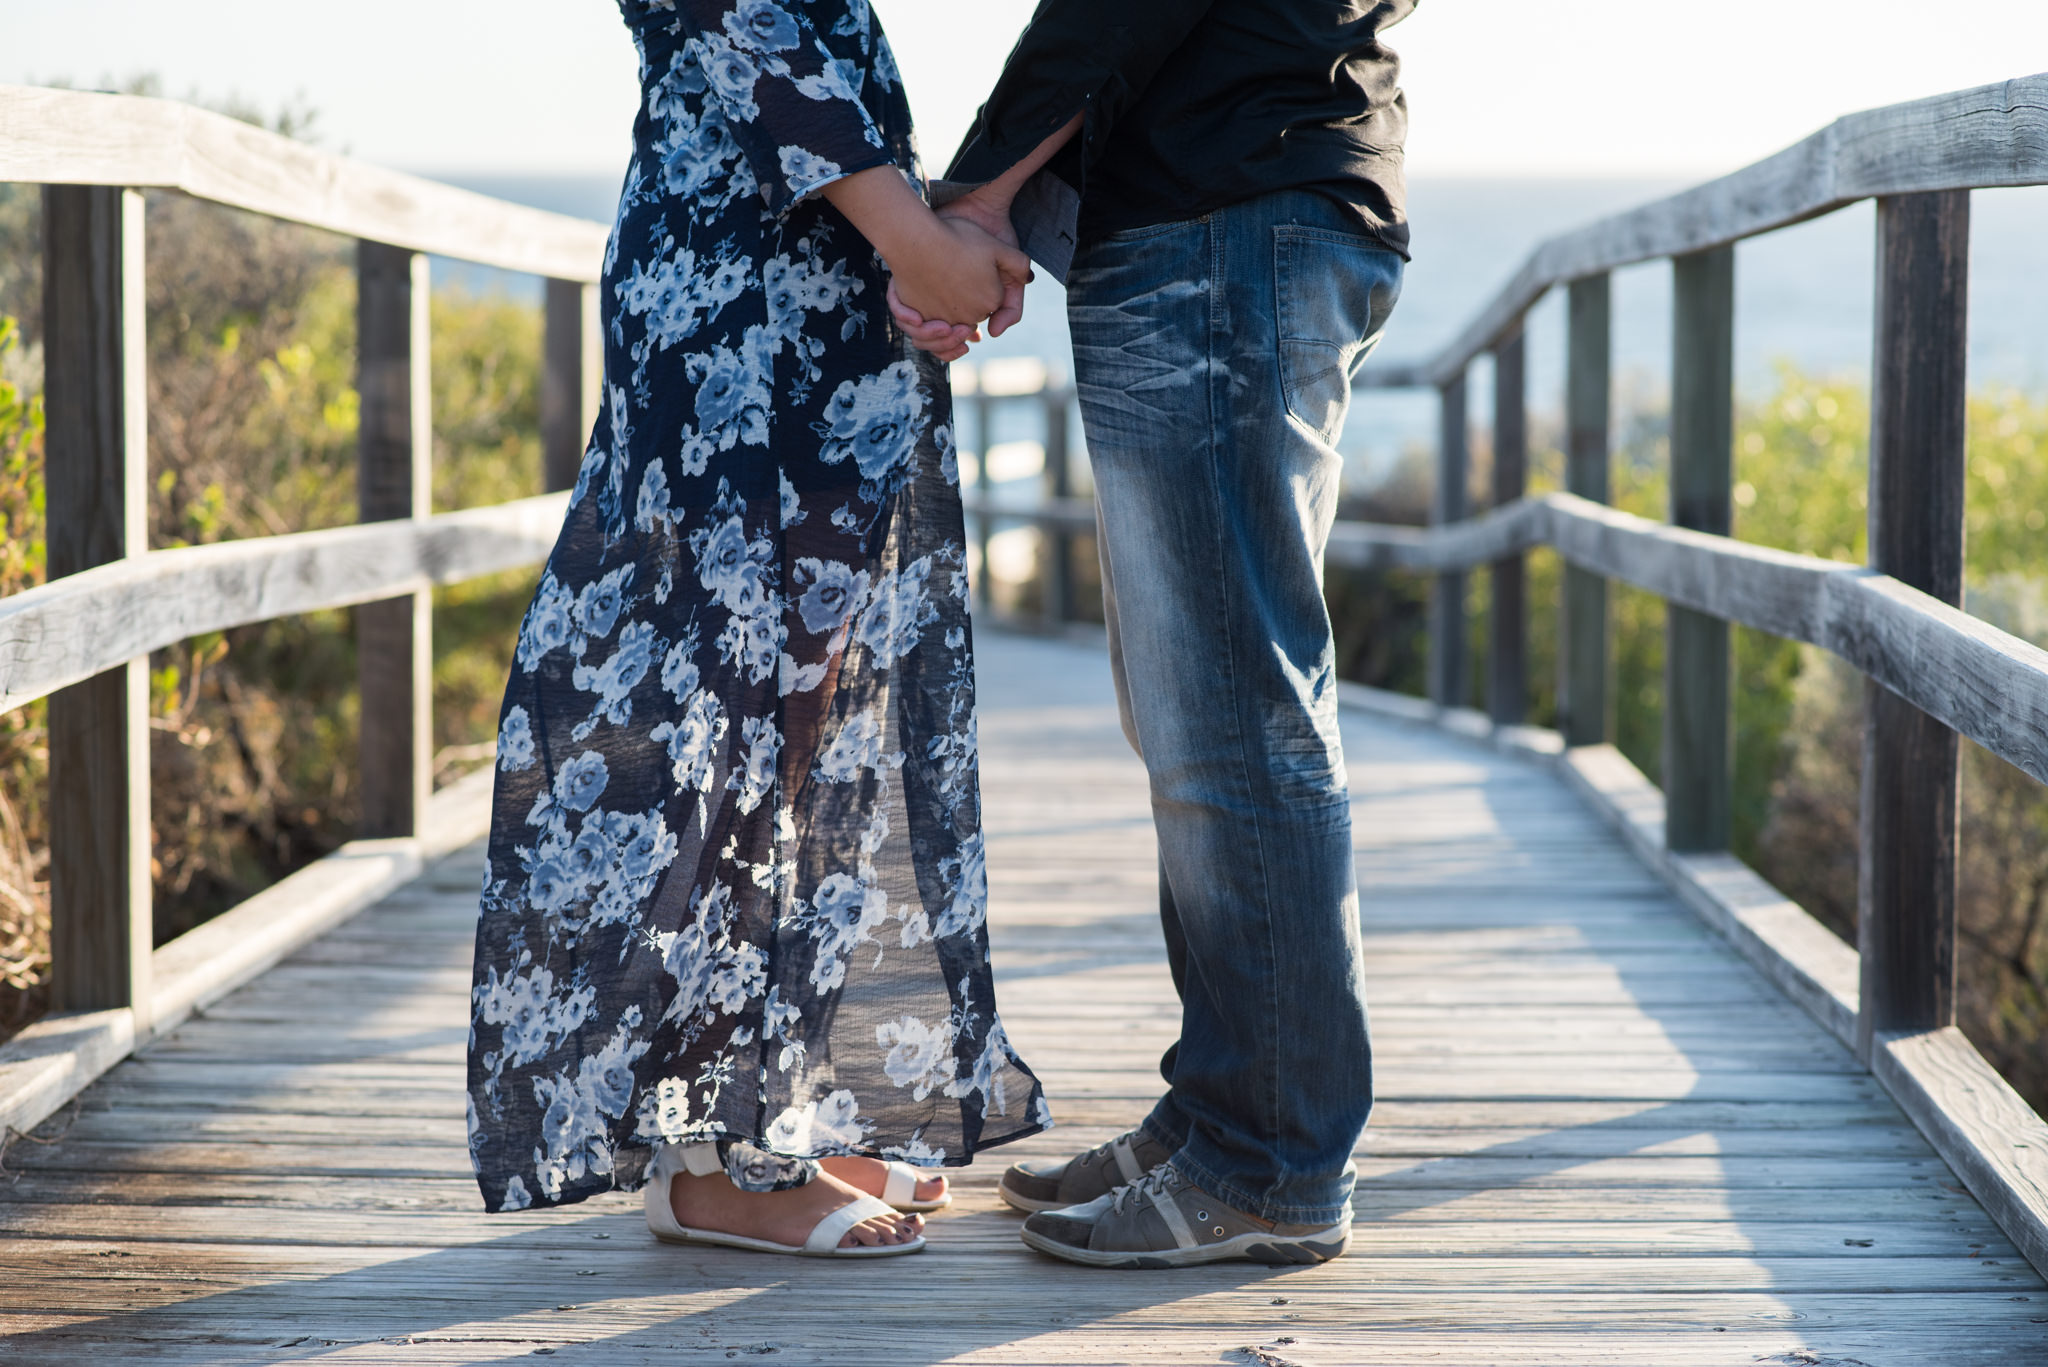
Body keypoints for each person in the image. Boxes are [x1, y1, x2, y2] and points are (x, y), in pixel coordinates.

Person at [465, 0, 1049, 1260]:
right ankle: (708, 1164)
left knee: (810, 724)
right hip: (735, 292)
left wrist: (918, 243)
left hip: (819, 285)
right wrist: (913, 235)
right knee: (721, 718)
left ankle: (769, 1106)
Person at [893, 0, 1417, 1268]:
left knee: (1233, 718)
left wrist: (971, 203)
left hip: (1224, 216)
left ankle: (1271, 1158)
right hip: (1243, 201)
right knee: (1201, 712)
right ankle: (1222, 1112)